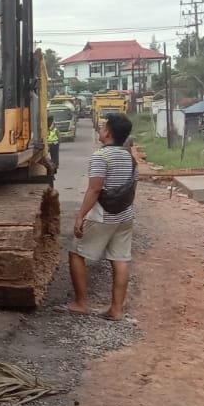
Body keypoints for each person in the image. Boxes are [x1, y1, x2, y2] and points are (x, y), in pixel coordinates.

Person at [65, 112, 136, 320]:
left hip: (102, 215)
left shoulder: (101, 156)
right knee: (120, 259)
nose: (101, 129)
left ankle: (81, 303)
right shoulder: (130, 157)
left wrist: (80, 216)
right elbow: (132, 188)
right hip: (125, 215)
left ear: (108, 133)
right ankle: (116, 310)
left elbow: (94, 189)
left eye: (104, 127)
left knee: (76, 252)